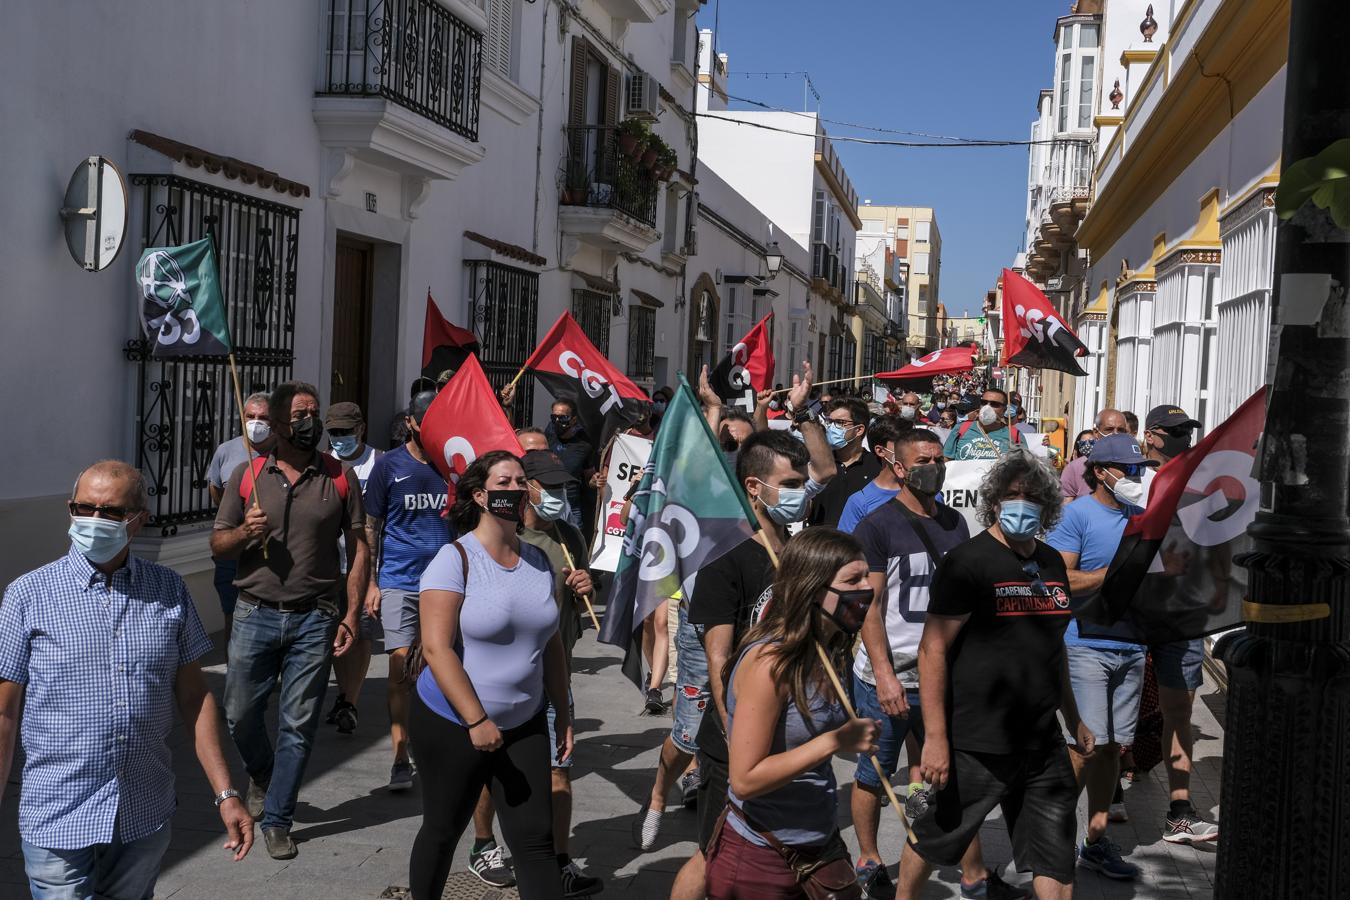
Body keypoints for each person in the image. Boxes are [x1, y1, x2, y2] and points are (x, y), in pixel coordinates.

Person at [0, 461, 253, 897]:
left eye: (112, 512)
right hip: (57, 808)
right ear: (70, 509)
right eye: (85, 508)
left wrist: (225, 792)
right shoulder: (28, 595)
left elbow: (194, 697)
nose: (95, 521)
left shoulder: (169, 590)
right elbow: (4, 710)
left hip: (143, 807)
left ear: (140, 520)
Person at [896, 452, 1086, 900]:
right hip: (975, 743)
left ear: (1048, 506)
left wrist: (1073, 717)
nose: (1022, 503)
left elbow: (1051, 647)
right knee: (934, 838)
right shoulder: (968, 562)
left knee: (1055, 855)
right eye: (1011, 495)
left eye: (1032, 496)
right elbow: (932, 648)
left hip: (1043, 743)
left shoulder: (1053, 563)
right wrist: (936, 740)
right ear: (994, 502)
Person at [848, 431, 1023, 900]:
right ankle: (868, 857)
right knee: (874, 774)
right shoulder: (877, 525)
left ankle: (973, 876)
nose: (936, 467)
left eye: (940, 459)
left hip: (939, 675)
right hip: (887, 675)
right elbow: (871, 604)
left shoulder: (953, 523)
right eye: (924, 460)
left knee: (947, 778)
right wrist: (884, 673)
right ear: (900, 468)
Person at [407, 451, 576, 900]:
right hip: (451, 723)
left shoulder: (540, 561)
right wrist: (477, 721)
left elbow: (552, 643)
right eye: (504, 482)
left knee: (535, 840)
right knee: (442, 831)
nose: (516, 489)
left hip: (525, 722)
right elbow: (435, 648)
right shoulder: (454, 559)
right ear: (480, 495)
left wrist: (564, 709)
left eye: (522, 481)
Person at [212, 381, 369, 860]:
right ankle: (262, 773)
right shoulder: (248, 475)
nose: (310, 422)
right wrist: (244, 532)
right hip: (254, 612)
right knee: (239, 713)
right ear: (277, 425)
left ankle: (278, 818)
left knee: (297, 724)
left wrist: (352, 613)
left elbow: (361, 546)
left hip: (314, 618)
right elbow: (218, 544)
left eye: (313, 413)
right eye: (300, 414)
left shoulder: (339, 477)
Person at [704, 528, 881, 899]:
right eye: (853, 580)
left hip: (819, 843)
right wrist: (837, 741)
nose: (867, 588)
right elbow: (745, 779)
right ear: (814, 590)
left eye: (866, 576)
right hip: (761, 856)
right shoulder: (770, 663)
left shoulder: (830, 648)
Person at [673, 430, 812, 900]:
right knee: (714, 856)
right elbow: (718, 656)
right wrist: (734, 729)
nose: (801, 492)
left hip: (788, 734)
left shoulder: (796, 552)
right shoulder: (723, 556)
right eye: (790, 483)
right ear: (755, 487)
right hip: (735, 738)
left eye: (803, 481)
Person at [1046, 434, 1158, 880]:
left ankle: (1095, 841)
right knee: (1085, 746)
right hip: (1086, 644)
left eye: (1138, 469)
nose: (1135, 477)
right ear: (1098, 472)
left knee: (1111, 748)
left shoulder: (1145, 517)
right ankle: (1050, 836)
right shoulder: (1075, 516)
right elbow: (1060, 581)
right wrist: (1113, 574)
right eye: (1126, 470)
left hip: (1132, 645)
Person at [518, 447, 604, 897]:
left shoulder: (570, 534)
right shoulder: (507, 536)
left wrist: (587, 583)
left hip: (558, 675)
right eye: (548, 487)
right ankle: (483, 845)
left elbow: (587, 586)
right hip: (511, 678)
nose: (556, 495)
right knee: (497, 772)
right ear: (526, 487)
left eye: (561, 487)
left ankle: (560, 862)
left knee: (559, 771)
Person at [361, 391, 452, 791]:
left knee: (437, 665)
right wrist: (371, 582)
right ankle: (401, 754)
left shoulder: (454, 466)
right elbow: (369, 526)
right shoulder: (389, 466)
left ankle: (434, 743)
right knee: (400, 664)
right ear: (412, 423)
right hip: (399, 578)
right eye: (427, 419)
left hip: (446, 584)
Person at [1139, 404, 1219, 844]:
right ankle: (1107, 792)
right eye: (1172, 432)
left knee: (1180, 709)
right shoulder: (1131, 480)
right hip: (1133, 614)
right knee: (1121, 704)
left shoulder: (1198, 483)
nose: (1182, 438)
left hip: (1184, 614)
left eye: (1186, 431)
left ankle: (1180, 809)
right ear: (1151, 435)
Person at [325, 401, 383, 736]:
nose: (340, 438)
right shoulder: (322, 464)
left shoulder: (380, 464)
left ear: (361, 429)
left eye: (345, 432)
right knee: (336, 632)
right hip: (328, 567)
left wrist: (374, 576)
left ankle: (351, 701)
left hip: (364, 566)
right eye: (334, 432)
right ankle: (343, 694)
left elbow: (382, 524)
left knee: (361, 633)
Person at [206, 391, 273, 624]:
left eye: (263, 417)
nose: (256, 422)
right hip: (233, 547)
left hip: (271, 550)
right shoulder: (226, 451)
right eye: (250, 416)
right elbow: (216, 491)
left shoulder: (283, 452)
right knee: (232, 615)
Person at [807, 398, 881, 528]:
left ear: (859, 430)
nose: (831, 427)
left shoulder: (878, 467)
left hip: (858, 544)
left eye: (840, 423)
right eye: (829, 422)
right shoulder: (817, 464)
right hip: (819, 543)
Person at [837, 416, 910, 533]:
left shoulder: (929, 494)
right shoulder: (860, 502)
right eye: (903, 444)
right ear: (880, 451)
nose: (912, 450)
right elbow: (845, 549)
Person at [545, 399, 594, 530]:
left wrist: (595, 481)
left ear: (573, 420)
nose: (557, 421)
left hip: (571, 505)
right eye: (553, 417)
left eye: (563, 418)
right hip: (545, 501)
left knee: (575, 545)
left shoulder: (584, 445)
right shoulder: (548, 434)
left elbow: (590, 477)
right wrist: (508, 406)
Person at [1059, 409, 1129, 500]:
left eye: (1120, 430)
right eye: (1109, 429)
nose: (1115, 434)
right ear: (1096, 432)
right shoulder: (1074, 468)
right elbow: (1065, 507)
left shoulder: (1134, 466)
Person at [942, 388, 1021, 461]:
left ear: (1004, 410)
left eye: (994, 404)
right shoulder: (961, 428)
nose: (987, 407)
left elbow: (1023, 468)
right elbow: (946, 460)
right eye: (984, 403)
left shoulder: (1014, 435)